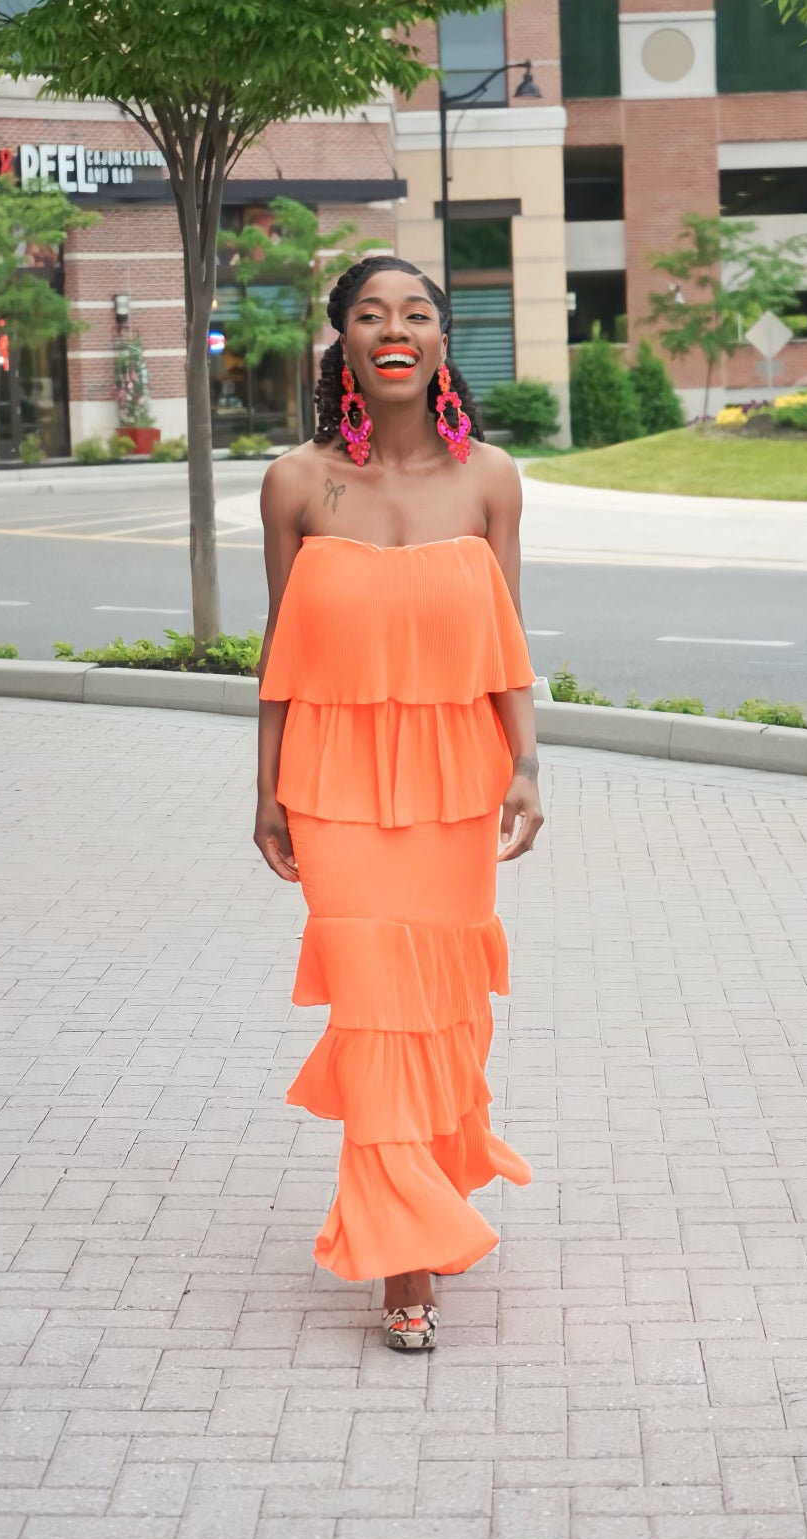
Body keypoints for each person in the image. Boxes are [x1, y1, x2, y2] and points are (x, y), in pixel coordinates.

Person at [254, 256, 544, 1352]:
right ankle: (404, 1263)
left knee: (444, 1006)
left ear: (440, 342)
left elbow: (507, 637)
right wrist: (267, 787)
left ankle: (426, 1185)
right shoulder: (296, 483)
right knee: (376, 1009)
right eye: (371, 314)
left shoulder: (491, 480)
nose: (395, 329)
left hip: (456, 778)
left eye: (416, 314)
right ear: (342, 340)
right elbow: (280, 648)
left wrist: (527, 763)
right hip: (332, 779)